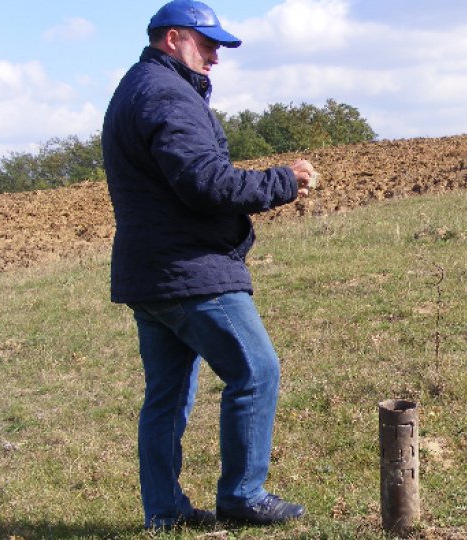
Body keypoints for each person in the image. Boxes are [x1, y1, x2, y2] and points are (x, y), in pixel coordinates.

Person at [101, 0, 315, 531]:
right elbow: (207, 183)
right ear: (173, 38)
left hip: (151, 273)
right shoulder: (166, 95)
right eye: (208, 43)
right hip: (188, 270)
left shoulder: (137, 87)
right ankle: (243, 495)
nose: (217, 56)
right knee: (256, 370)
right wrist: (283, 180)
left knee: (166, 397)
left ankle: (164, 512)